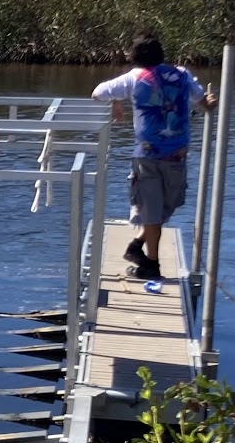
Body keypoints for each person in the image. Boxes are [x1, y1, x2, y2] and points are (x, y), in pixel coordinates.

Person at [92, 33, 215, 281]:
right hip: (168, 155)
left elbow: (97, 93)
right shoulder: (179, 74)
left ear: (135, 58)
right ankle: (152, 264)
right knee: (155, 211)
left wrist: (117, 100)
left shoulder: (140, 77)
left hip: (155, 155)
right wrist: (209, 103)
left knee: (161, 210)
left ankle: (137, 247)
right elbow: (202, 101)